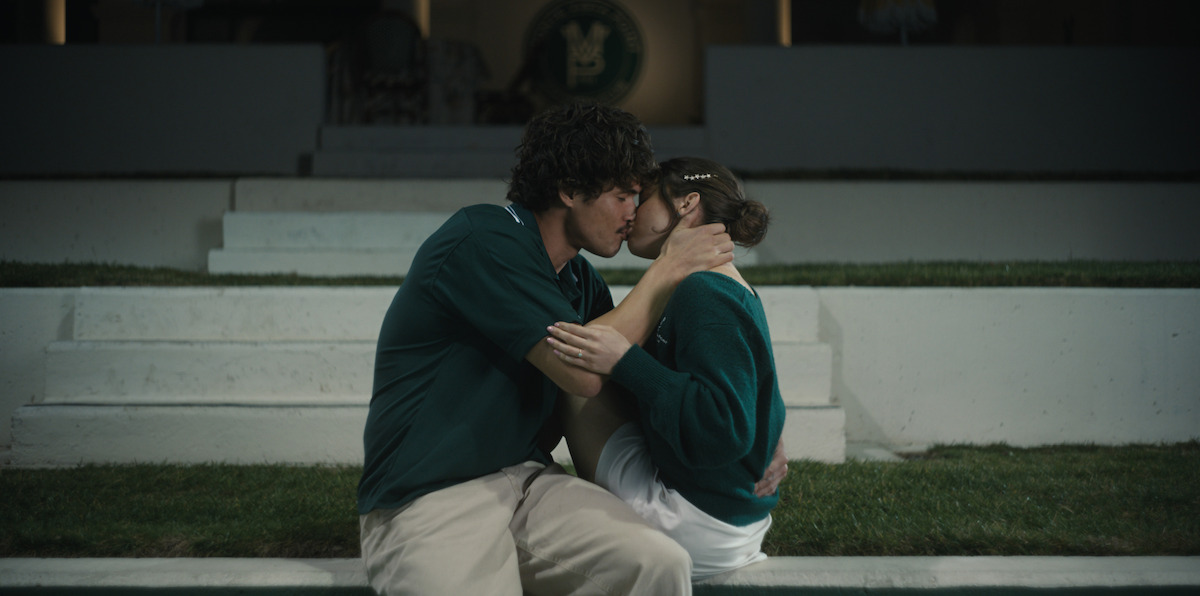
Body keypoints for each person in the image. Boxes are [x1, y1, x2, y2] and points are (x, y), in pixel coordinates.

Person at [357, 103, 782, 595]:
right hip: (430, 495)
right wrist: (666, 269)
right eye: (623, 195)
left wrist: (762, 424)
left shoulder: (581, 282)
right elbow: (581, 373)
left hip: (529, 484)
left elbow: (666, 376)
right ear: (569, 190)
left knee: (658, 564)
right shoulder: (484, 237)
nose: (633, 212)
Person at [545, 157, 787, 580]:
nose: (632, 211)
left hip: (697, 524)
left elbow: (723, 429)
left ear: (686, 204)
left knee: (573, 373)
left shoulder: (703, 290)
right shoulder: (722, 282)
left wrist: (625, 361)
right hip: (733, 520)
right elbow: (748, 386)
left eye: (642, 198)